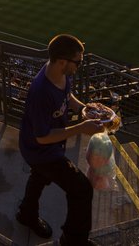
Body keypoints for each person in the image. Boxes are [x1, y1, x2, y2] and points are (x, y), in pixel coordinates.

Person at [17, 34, 104, 246]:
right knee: (81, 189)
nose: (80, 66)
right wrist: (81, 128)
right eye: (79, 62)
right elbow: (43, 137)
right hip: (40, 150)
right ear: (62, 61)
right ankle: (74, 241)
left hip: (47, 146)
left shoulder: (60, 73)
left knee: (39, 177)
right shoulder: (40, 92)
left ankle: (26, 214)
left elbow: (68, 96)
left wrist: (83, 109)